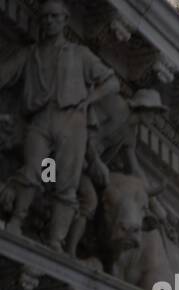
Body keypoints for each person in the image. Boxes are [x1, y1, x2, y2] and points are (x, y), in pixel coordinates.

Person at [0, 0, 120, 250]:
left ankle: (55, 240)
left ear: (65, 20)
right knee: (35, 168)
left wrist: (89, 101)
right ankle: (17, 221)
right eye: (45, 17)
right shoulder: (30, 54)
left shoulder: (79, 54)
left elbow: (112, 83)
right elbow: (4, 74)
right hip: (41, 119)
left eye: (55, 17)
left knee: (65, 182)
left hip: (72, 123)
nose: (49, 21)